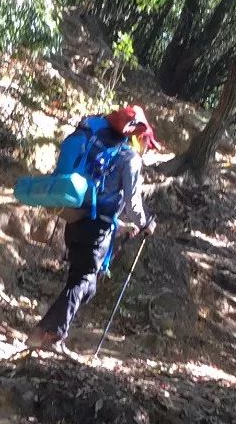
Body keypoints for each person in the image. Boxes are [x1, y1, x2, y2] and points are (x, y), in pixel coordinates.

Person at [27, 104, 159, 351]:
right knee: (84, 281)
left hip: (77, 219)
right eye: (147, 145)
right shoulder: (130, 159)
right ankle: (49, 335)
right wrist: (145, 223)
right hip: (96, 229)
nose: (146, 151)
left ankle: (45, 331)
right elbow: (132, 203)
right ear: (140, 138)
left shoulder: (105, 150)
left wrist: (121, 227)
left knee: (86, 285)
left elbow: (105, 196)